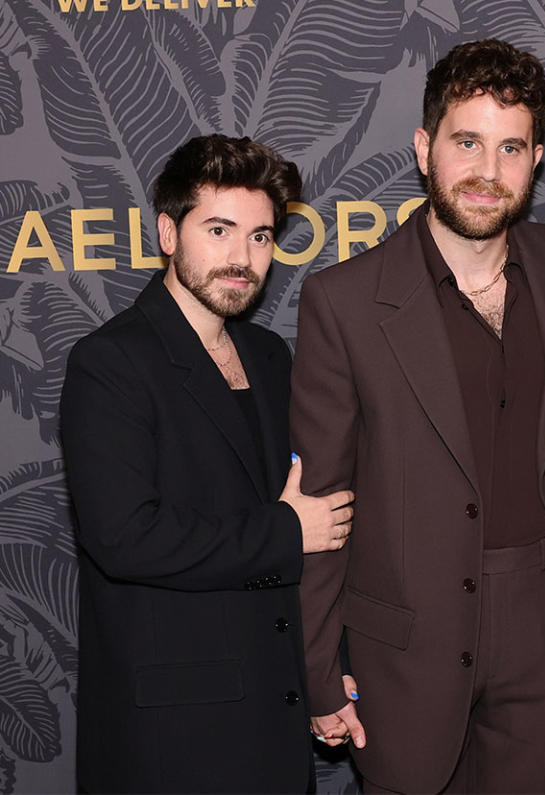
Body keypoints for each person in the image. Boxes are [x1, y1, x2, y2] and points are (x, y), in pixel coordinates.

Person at [290, 39, 545, 794]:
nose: (489, 172)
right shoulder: (346, 301)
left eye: (510, 147)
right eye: (467, 142)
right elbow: (321, 504)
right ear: (425, 149)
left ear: (536, 158)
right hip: (406, 639)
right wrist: (319, 668)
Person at [60, 134, 356, 793]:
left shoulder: (270, 356)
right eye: (219, 229)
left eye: (260, 236)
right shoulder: (110, 364)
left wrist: (322, 674)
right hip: (176, 739)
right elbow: (125, 538)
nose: (242, 258)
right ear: (168, 230)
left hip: (274, 723)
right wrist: (287, 531)